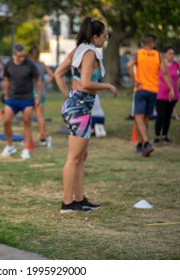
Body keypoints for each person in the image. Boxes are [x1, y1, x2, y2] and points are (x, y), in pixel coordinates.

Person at [54, 17, 118, 213]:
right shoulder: (89, 52)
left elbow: (57, 74)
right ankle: (67, 203)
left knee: (81, 156)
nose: (105, 39)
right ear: (95, 36)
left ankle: (79, 199)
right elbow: (86, 84)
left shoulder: (78, 50)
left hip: (78, 107)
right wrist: (107, 86)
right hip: (80, 109)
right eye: (104, 36)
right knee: (74, 157)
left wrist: (69, 99)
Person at [127, 34, 174, 157]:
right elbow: (164, 72)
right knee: (146, 118)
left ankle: (146, 143)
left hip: (141, 89)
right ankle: (140, 144)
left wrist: (134, 81)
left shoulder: (138, 53)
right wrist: (171, 89)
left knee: (138, 118)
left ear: (143, 43)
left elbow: (128, 66)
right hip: (153, 90)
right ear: (152, 44)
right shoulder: (158, 55)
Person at [0, 43, 42, 160]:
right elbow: (7, 80)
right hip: (12, 98)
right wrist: (6, 95)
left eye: (23, 55)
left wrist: (38, 97)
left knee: (26, 123)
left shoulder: (30, 65)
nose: (22, 58)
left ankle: (26, 149)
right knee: (6, 122)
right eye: (20, 56)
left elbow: (38, 81)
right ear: (14, 55)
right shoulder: (8, 65)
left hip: (27, 99)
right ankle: (10, 146)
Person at [154, 46, 180, 144]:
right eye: (169, 53)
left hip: (173, 93)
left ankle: (164, 136)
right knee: (161, 115)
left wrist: (178, 81)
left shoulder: (176, 64)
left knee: (168, 115)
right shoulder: (160, 64)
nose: (171, 56)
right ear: (165, 54)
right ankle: (157, 136)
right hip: (161, 92)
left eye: (173, 54)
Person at [28, 45, 54, 145]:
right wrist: (46, 83)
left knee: (28, 116)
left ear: (30, 55)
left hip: (31, 92)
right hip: (41, 92)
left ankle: (28, 138)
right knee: (40, 116)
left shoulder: (29, 65)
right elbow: (52, 75)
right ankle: (42, 137)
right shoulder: (42, 65)